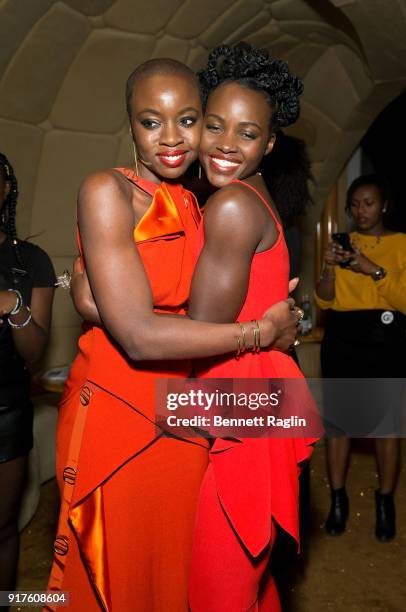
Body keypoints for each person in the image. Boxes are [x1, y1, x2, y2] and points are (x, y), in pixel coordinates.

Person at [46, 58, 301, 612]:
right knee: (111, 579)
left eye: (187, 120)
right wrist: (262, 329)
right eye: (150, 121)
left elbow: (195, 305)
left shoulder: (194, 200)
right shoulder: (106, 190)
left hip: (185, 420)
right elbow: (137, 336)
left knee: (177, 581)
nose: (171, 138)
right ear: (130, 124)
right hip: (119, 416)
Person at [181, 42, 318, 611]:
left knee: (219, 587)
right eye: (214, 126)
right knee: (249, 582)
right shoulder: (256, 197)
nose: (226, 145)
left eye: (246, 133)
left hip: (233, 400)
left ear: (269, 142)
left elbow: (200, 331)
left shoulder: (231, 206)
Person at [315, 174, 406, 541]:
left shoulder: (401, 244)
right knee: (339, 427)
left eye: (368, 203)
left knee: (387, 427)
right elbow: (323, 300)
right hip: (343, 339)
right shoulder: (342, 243)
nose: (360, 210)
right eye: (354, 204)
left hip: (387, 338)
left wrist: (375, 270)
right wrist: (329, 267)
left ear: (383, 205)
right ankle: (338, 500)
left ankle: (386, 502)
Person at [0, 153, 55, 594]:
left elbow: (34, 352)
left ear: (6, 191)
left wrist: (13, 307)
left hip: (5, 412)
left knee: (2, 528)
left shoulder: (29, 261)